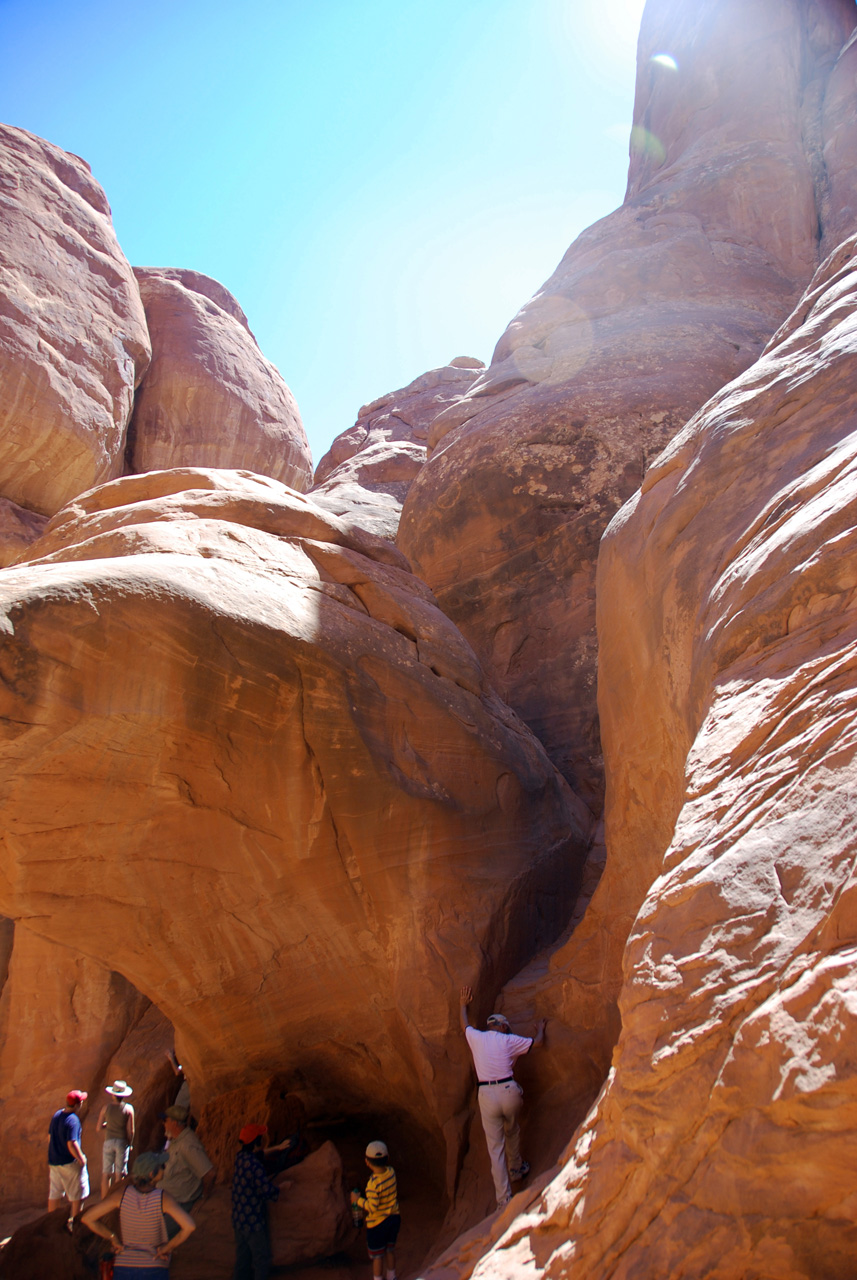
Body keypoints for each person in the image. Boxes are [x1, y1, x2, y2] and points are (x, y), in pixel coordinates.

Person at [459, 985, 545, 1208]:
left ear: (489, 1027)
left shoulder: (477, 1038)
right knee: (512, 1129)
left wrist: (462, 1005)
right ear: (504, 1027)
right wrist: (540, 1029)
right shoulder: (509, 1040)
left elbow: (464, 1025)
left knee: (495, 1148)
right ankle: (516, 1169)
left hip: (486, 1094)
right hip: (508, 1092)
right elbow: (538, 1044)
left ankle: (503, 1201)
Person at [82, 1149, 195, 1277]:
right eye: (162, 1166)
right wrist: (166, 1248)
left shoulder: (121, 1195)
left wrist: (113, 1238)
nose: (164, 1168)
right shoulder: (163, 1198)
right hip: (153, 1267)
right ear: (152, 1174)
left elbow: (88, 1218)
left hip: (124, 1268)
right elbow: (189, 1226)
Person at [231, 1123, 293, 1280]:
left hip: (239, 1221)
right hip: (253, 1223)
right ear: (257, 1141)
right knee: (262, 1260)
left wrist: (277, 1148)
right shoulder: (255, 1167)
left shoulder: (240, 1158)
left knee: (242, 1260)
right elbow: (268, 1192)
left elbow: (259, 1154)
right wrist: (283, 1188)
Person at [160, 1105, 215, 1235]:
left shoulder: (188, 1144)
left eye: (165, 1120)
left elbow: (210, 1173)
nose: (164, 1124)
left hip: (179, 1203)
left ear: (174, 1123)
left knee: (156, 1236)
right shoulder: (177, 1140)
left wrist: (203, 1197)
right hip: (168, 1201)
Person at [350, 1140, 400, 1280]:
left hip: (378, 1224)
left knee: (377, 1256)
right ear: (388, 1158)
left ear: (367, 1162)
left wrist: (357, 1200)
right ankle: (392, 1276)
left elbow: (372, 1207)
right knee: (390, 1250)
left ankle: (378, 1278)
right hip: (393, 1219)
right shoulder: (391, 1172)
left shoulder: (372, 1184)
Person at [48, 1089, 90, 1218]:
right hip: (69, 1163)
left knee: (55, 1193)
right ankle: (75, 1223)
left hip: (54, 1161)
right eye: (81, 1101)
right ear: (77, 1105)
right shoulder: (73, 1120)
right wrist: (81, 1158)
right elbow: (72, 1143)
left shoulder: (57, 1115)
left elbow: (49, 1138)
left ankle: (50, 1222)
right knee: (77, 1195)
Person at [98, 1079, 135, 1199]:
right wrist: (130, 1144)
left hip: (108, 1141)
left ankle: (104, 1201)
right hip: (121, 1142)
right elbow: (131, 1130)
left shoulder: (106, 1108)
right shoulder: (128, 1109)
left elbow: (99, 1127)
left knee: (106, 1173)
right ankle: (118, 1201)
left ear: (113, 1094)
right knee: (119, 1174)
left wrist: (107, 1125)